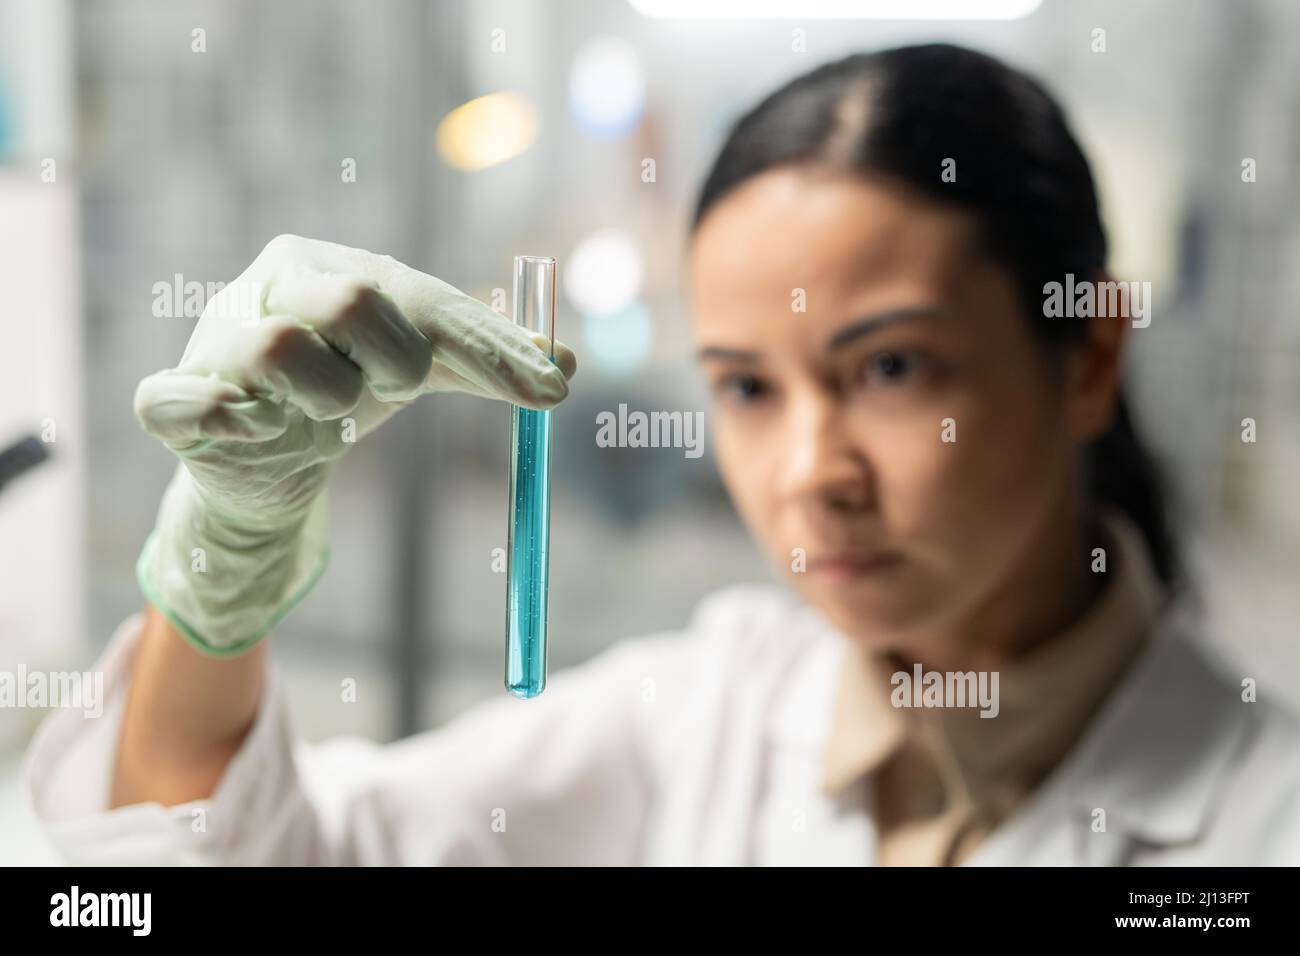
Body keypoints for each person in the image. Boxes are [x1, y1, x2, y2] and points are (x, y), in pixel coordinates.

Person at [25, 43, 1300, 865]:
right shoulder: (710, 710)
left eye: (891, 367)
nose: (810, 469)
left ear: (1084, 353)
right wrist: (225, 562)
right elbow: (226, 854)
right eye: (745, 385)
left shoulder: (1263, 819)